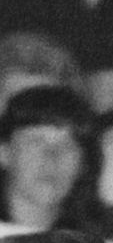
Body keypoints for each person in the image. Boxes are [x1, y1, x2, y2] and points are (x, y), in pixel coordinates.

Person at [0, 82, 101, 231]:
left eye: (67, 146)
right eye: (36, 142)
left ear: (83, 164)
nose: (52, 157)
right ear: (4, 153)